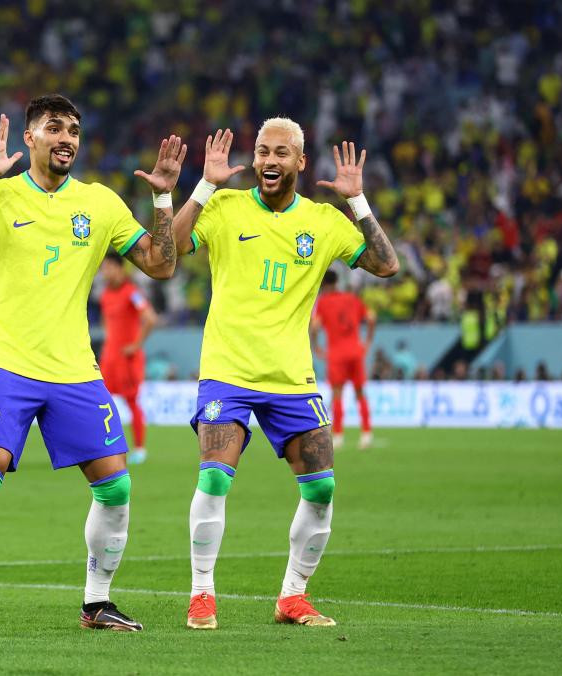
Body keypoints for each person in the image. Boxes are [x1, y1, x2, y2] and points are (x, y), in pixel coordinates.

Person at [0, 96, 184, 636]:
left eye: (74, 128)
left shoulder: (99, 204)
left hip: (75, 368)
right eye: (54, 128)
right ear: (30, 138)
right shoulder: (2, 196)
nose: (66, 137)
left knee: (116, 487)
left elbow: (161, 265)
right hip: (7, 363)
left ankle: (97, 603)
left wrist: (164, 198)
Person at [172, 123, 399, 630]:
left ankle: (292, 597)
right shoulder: (226, 208)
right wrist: (205, 186)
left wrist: (358, 202)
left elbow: (387, 264)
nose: (268, 159)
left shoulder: (323, 221)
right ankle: (202, 594)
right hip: (227, 371)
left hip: (292, 378)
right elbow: (169, 249)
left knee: (321, 491)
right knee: (213, 476)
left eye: (281, 152)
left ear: (300, 161)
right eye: (261, 151)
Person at [98, 251, 159, 464]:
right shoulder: (105, 295)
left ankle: (140, 449)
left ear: (119, 268)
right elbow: (108, 326)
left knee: (132, 402)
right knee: (100, 402)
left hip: (128, 359)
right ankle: (103, 446)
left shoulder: (131, 292)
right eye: (103, 268)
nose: (105, 272)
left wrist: (136, 345)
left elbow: (150, 318)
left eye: (108, 268)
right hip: (109, 359)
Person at [312, 270, 376, 449]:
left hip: (337, 354)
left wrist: (316, 345)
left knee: (338, 393)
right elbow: (371, 318)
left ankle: (339, 436)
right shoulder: (352, 298)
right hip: (355, 351)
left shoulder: (323, 302)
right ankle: (366, 433)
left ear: (323, 284)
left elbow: (315, 326)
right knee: (360, 392)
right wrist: (368, 341)